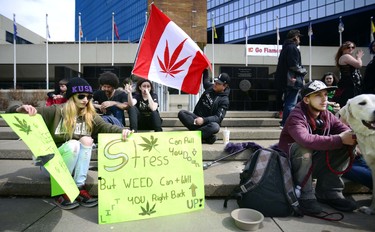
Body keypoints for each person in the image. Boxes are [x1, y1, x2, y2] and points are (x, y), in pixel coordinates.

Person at [7, 77, 132, 210]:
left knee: (87, 140)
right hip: (52, 165)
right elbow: (13, 112)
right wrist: (20, 108)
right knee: (74, 144)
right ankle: (62, 190)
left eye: (89, 97)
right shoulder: (56, 111)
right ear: (71, 97)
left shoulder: (89, 114)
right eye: (81, 96)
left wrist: (124, 130)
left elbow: (105, 127)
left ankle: (78, 186)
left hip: (73, 164)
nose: (85, 100)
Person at [278, 80, 357, 215]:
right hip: (289, 166)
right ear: (307, 100)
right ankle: (305, 195)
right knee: (304, 148)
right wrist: (339, 138)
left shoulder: (327, 115)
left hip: (313, 163)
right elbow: (305, 139)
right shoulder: (296, 116)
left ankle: (329, 192)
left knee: (346, 145)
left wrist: (355, 138)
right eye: (318, 95)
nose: (324, 99)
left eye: (326, 95)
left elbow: (345, 131)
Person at [178, 69, 230, 144]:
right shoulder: (211, 87)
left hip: (207, 123)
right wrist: (204, 69)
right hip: (195, 119)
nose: (215, 84)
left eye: (218, 83)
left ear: (224, 86)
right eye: (215, 81)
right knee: (182, 113)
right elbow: (206, 81)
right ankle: (206, 137)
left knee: (215, 127)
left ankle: (194, 136)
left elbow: (218, 118)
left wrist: (203, 120)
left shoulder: (224, 100)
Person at [275, 29, 307, 128]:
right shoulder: (292, 48)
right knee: (291, 103)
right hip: (292, 81)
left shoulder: (285, 48)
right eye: (298, 38)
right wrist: (304, 71)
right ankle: (286, 124)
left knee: (291, 102)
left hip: (287, 80)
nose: (299, 40)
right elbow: (293, 65)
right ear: (295, 38)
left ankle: (287, 123)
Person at [332, 41, 364, 107]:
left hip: (350, 85)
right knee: (349, 105)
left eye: (353, 47)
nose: (351, 49)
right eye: (348, 47)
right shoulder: (346, 56)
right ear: (343, 49)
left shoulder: (346, 57)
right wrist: (359, 57)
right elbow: (359, 65)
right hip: (349, 85)